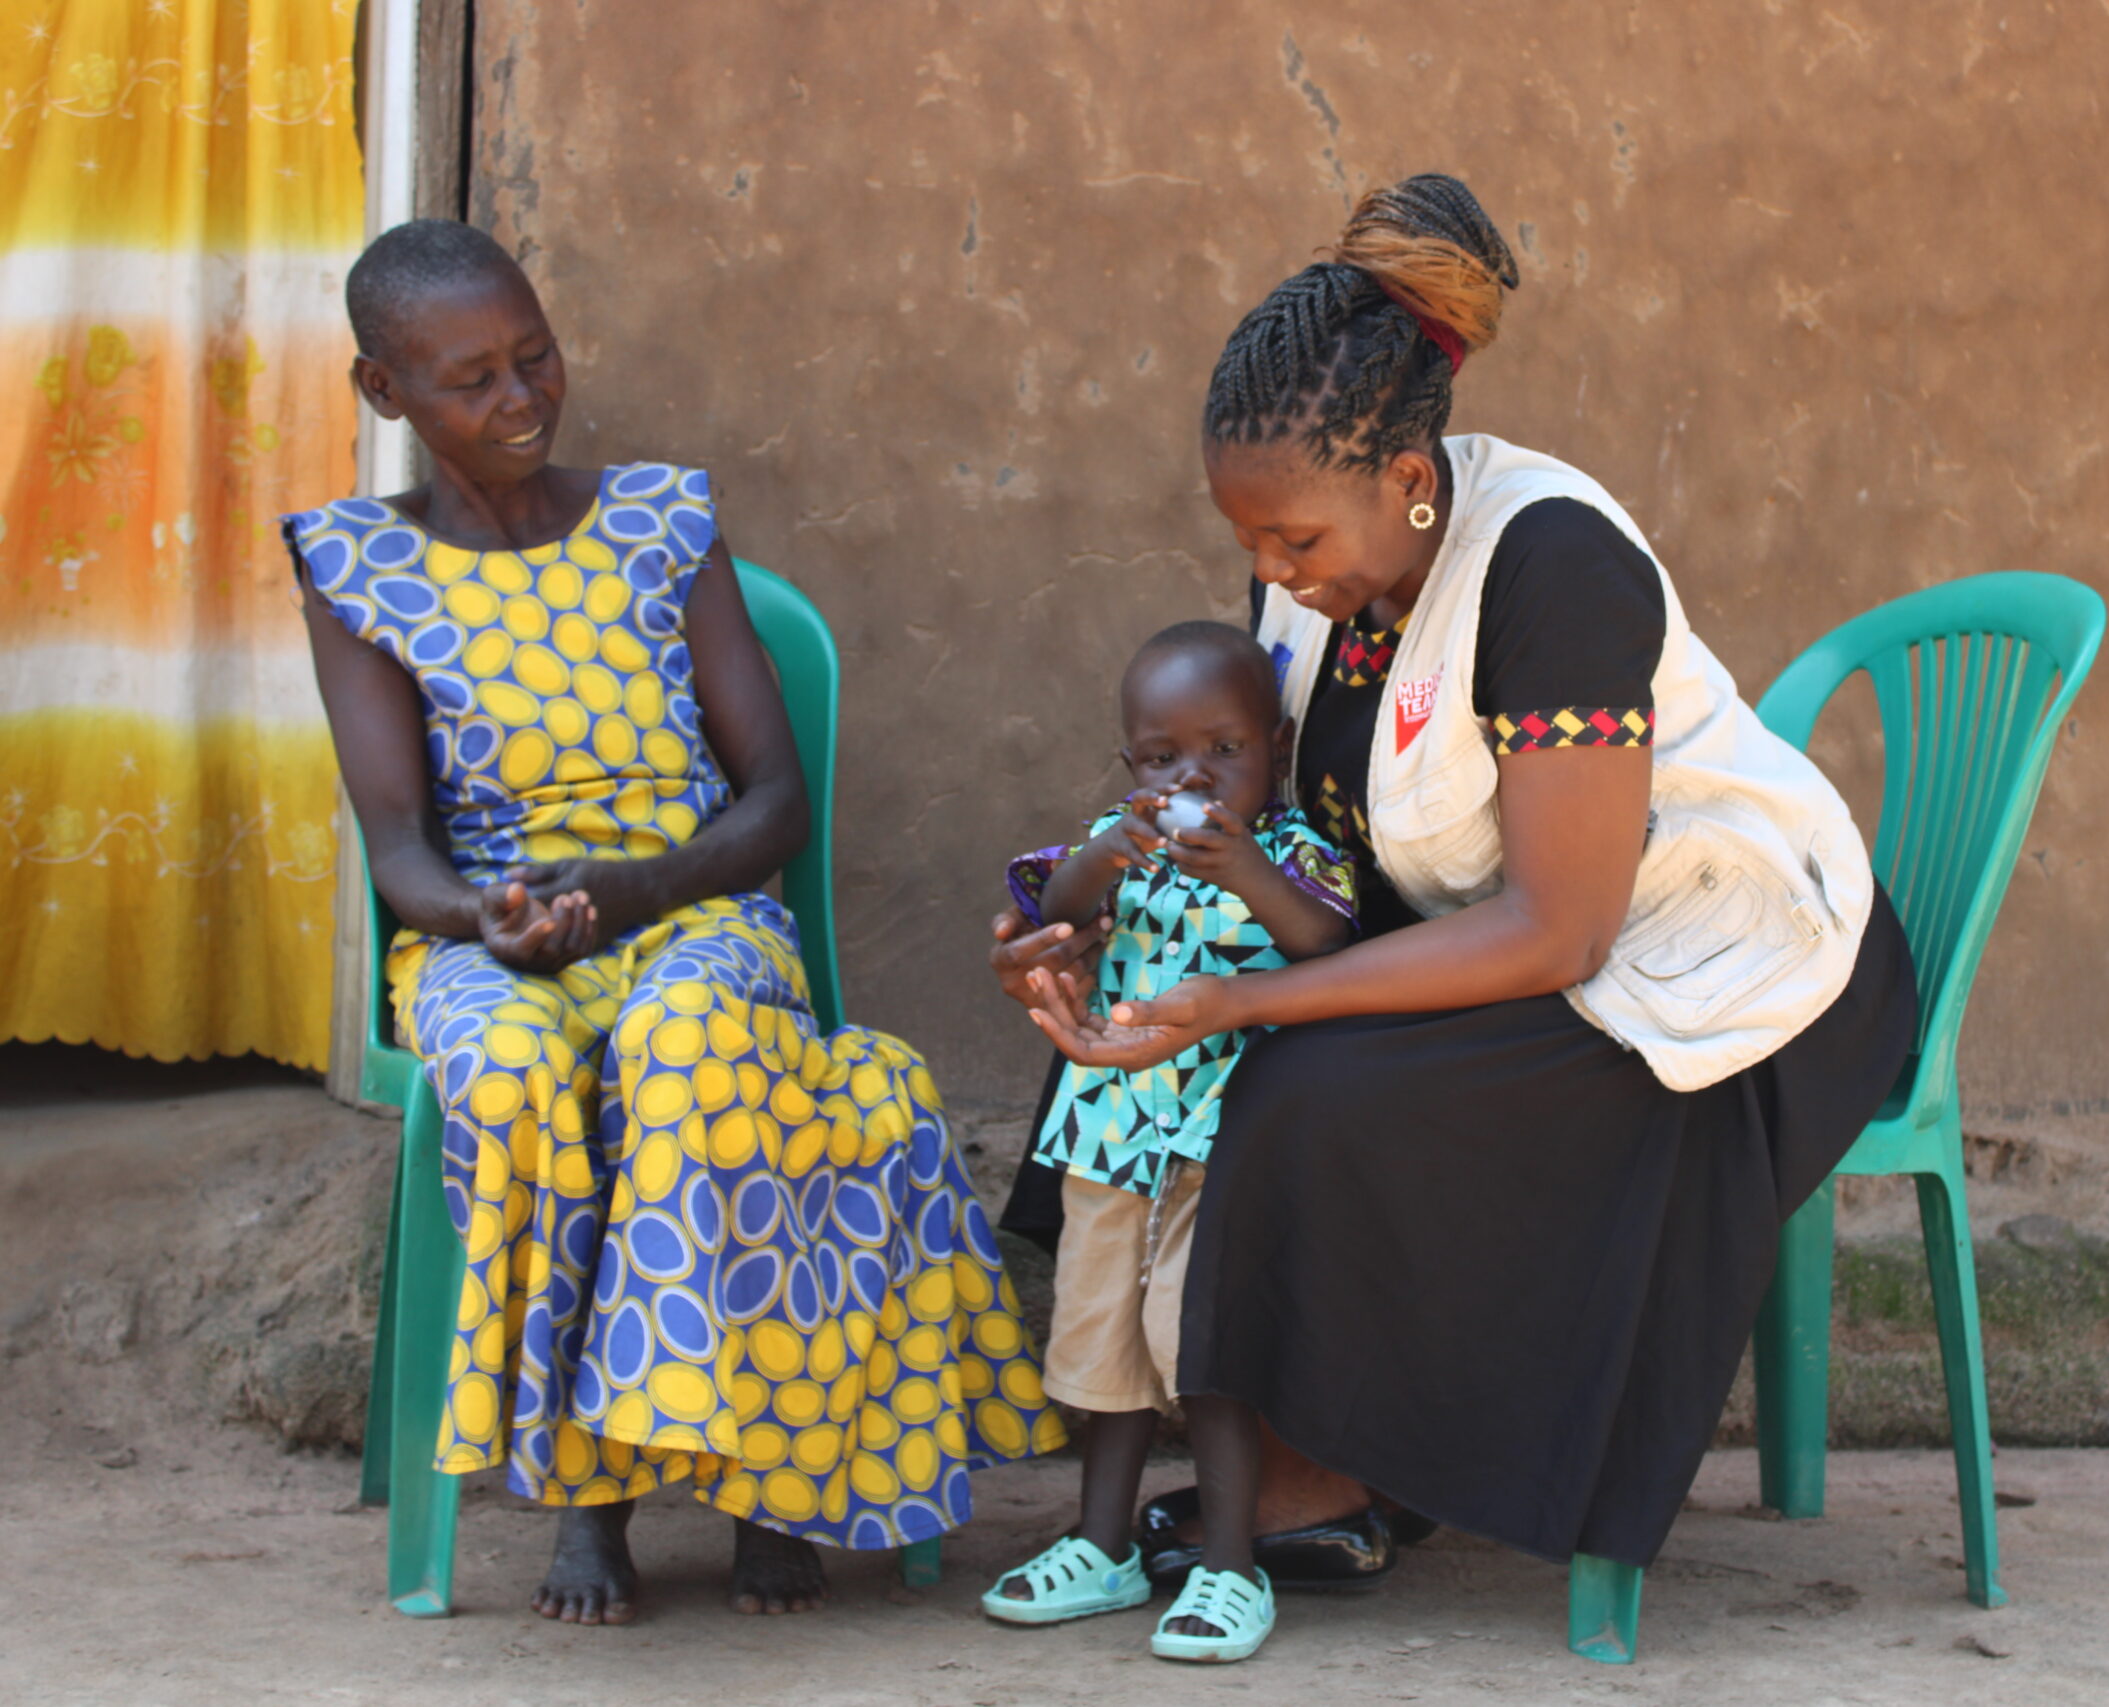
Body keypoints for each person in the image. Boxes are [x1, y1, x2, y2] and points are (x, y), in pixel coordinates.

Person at [997, 173, 1919, 1583]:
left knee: (1305, 1079)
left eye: (1294, 542)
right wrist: (1089, 912)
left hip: (1722, 969)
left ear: (1411, 484)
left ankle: (1343, 1461)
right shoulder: (1317, 584)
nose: (1270, 572)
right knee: (1129, 1055)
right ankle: (1232, 1445)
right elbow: (1286, 838)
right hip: (1511, 938)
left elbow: (1560, 928)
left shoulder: (1553, 566)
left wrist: (1251, 1009)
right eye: (1248, 541)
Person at [286, 219, 1064, 1626]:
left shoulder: (664, 519)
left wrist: (636, 890)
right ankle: (592, 1498)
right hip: (490, 934)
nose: (520, 398)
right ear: (382, 392)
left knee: (689, 1041)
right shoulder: (354, 567)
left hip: (694, 907)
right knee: (514, 1066)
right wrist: (493, 914)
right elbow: (399, 844)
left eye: (536, 356)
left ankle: (764, 1476)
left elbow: (773, 803)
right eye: (471, 379)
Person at [980, 622, 1355, 1662]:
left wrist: (1244, 871)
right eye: (1160, 758)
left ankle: (1232, 1565)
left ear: (1274, 747)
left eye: (1223, 750)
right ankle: (1099, 1545)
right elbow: (1051, 913)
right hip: (1112, 1139)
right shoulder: (1119, 835)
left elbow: (1325, 942)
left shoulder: (1289, 850)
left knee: (1206, 1352)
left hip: (1224, 1145)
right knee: (1102, 1345)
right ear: (1129, 765)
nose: (1192, 776)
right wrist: (1100, 855)